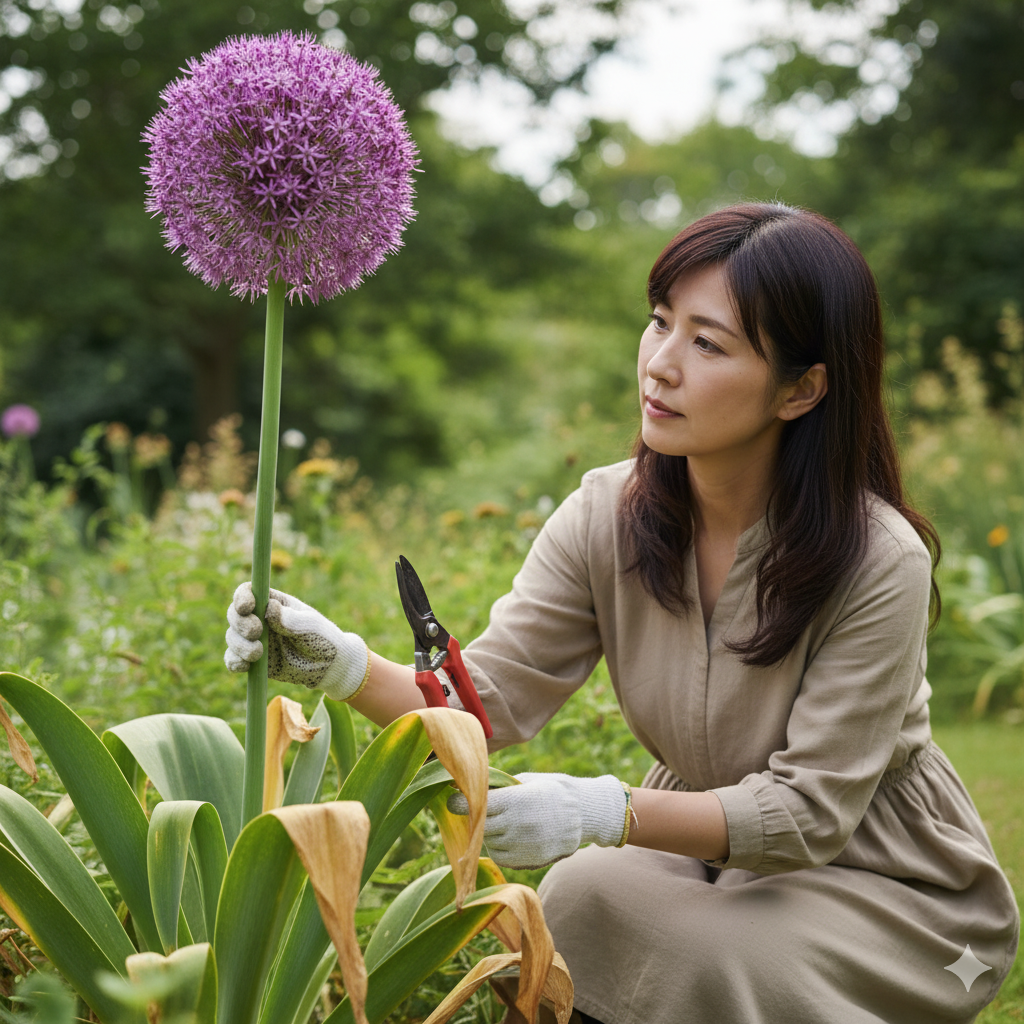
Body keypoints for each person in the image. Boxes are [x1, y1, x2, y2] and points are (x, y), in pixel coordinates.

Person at [224, 203, 1020, 1024]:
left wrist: (601, 809)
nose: (660, 365)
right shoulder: (609, 514)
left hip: (886, 879)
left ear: (802, 388)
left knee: (717, 956)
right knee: (575, 895)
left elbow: (809, 814)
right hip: (713, 861)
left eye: (707, 343)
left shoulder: (878, 558)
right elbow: (483, 704)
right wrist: (341, 664)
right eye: (659, 323)